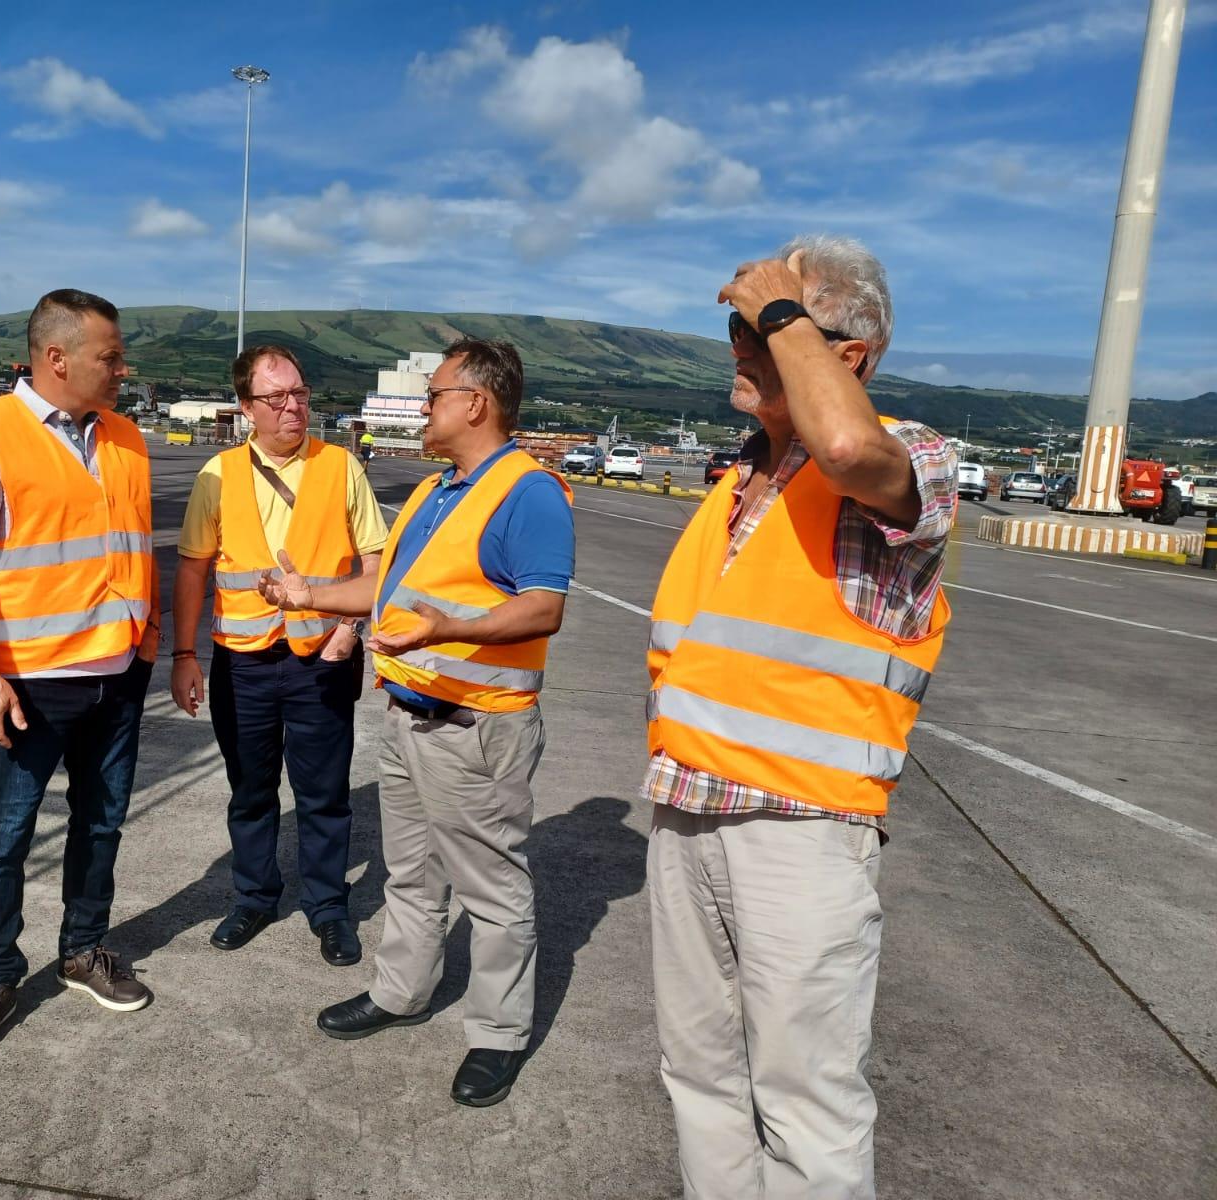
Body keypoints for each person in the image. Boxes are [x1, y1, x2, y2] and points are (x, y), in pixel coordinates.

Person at [645, 235, 956, 1197]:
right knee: (697, 1076)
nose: (742, 344)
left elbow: (852, 448)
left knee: (805, 1101)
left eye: (765, 326)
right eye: (738, 324)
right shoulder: (738, 480)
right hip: (685, 811)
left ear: (847, 355)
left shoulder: (916, 460)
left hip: (803, 831)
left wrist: (785, 313)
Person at [262, 337, 575, 1108]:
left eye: (433, 394)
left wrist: (443, 630)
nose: (424, 407)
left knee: (493, 890)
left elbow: (544, 606)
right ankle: (402, 990)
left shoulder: (526, 492)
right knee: (411, 872)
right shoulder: (443, 489)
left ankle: (497, 1034)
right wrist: (307, 597)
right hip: (409, 718)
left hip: (476, 728)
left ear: (476, 402)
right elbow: (388, 593)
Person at [0, 289, 158, 1066]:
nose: (123, 370)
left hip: (119, 675)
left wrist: (151, 640)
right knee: (4, 838)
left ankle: (82, 949)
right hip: (30, 680)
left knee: (101, 823)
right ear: (57, 358)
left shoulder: (125, 434)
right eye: (111, 356)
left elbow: (129, 542)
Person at [170, 345, 388, 966]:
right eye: (276, 398)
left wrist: (352, 628)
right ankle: (255, 897)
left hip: (323, 655)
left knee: (323, 792)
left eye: (299, 393)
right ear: (247, 409)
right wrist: (184, 654)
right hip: (243, 662)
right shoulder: (218, 474)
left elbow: (375, 560)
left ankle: (327, 906)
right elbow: (193, 570)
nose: (293, 407)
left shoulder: (341, 466)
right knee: (251, 789)